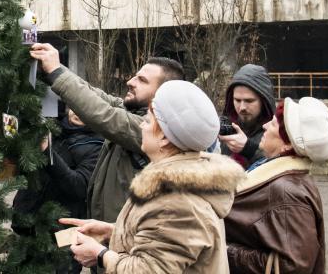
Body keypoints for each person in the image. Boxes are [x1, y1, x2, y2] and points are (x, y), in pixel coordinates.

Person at [63, 80, 245, 273]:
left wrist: (100, 255)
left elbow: (149, 269)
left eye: (148, 121)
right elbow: (162, 238)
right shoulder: (178, 185)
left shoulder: (174, 201)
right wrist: (114, 232)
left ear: (165, 138)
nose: (142, 125)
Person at [29, 43, 183, 224]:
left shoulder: (153, 129)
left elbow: (104, 114)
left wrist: (55, 72)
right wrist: (53, 70)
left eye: (142, 80)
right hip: (109, 232)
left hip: (124, 241)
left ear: (162, 94)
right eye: (135, 76)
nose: (130, 82)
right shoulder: (133, 112)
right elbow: (95, 95)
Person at [225, 97, 328, 274]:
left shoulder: (288, 192)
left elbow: (294, 265)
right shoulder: (279, 177)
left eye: (274, 124)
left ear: (287, 144)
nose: (265, 126)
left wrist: (225, 252)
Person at [12, 108, 103, 274]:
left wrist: (47, 151)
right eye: (75, 106)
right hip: (28, 221)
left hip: (64, 233)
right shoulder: (50, 126)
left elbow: (78, 186)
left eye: (85, 108)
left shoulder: (98, 146)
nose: (79, 112)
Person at [218, 65, 276, 168]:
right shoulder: (225, 128)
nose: (242, 107)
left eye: (249, 101)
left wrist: (248, 148)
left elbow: (279, 169)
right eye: (237, 100)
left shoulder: (277, 132)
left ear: (264, 101)